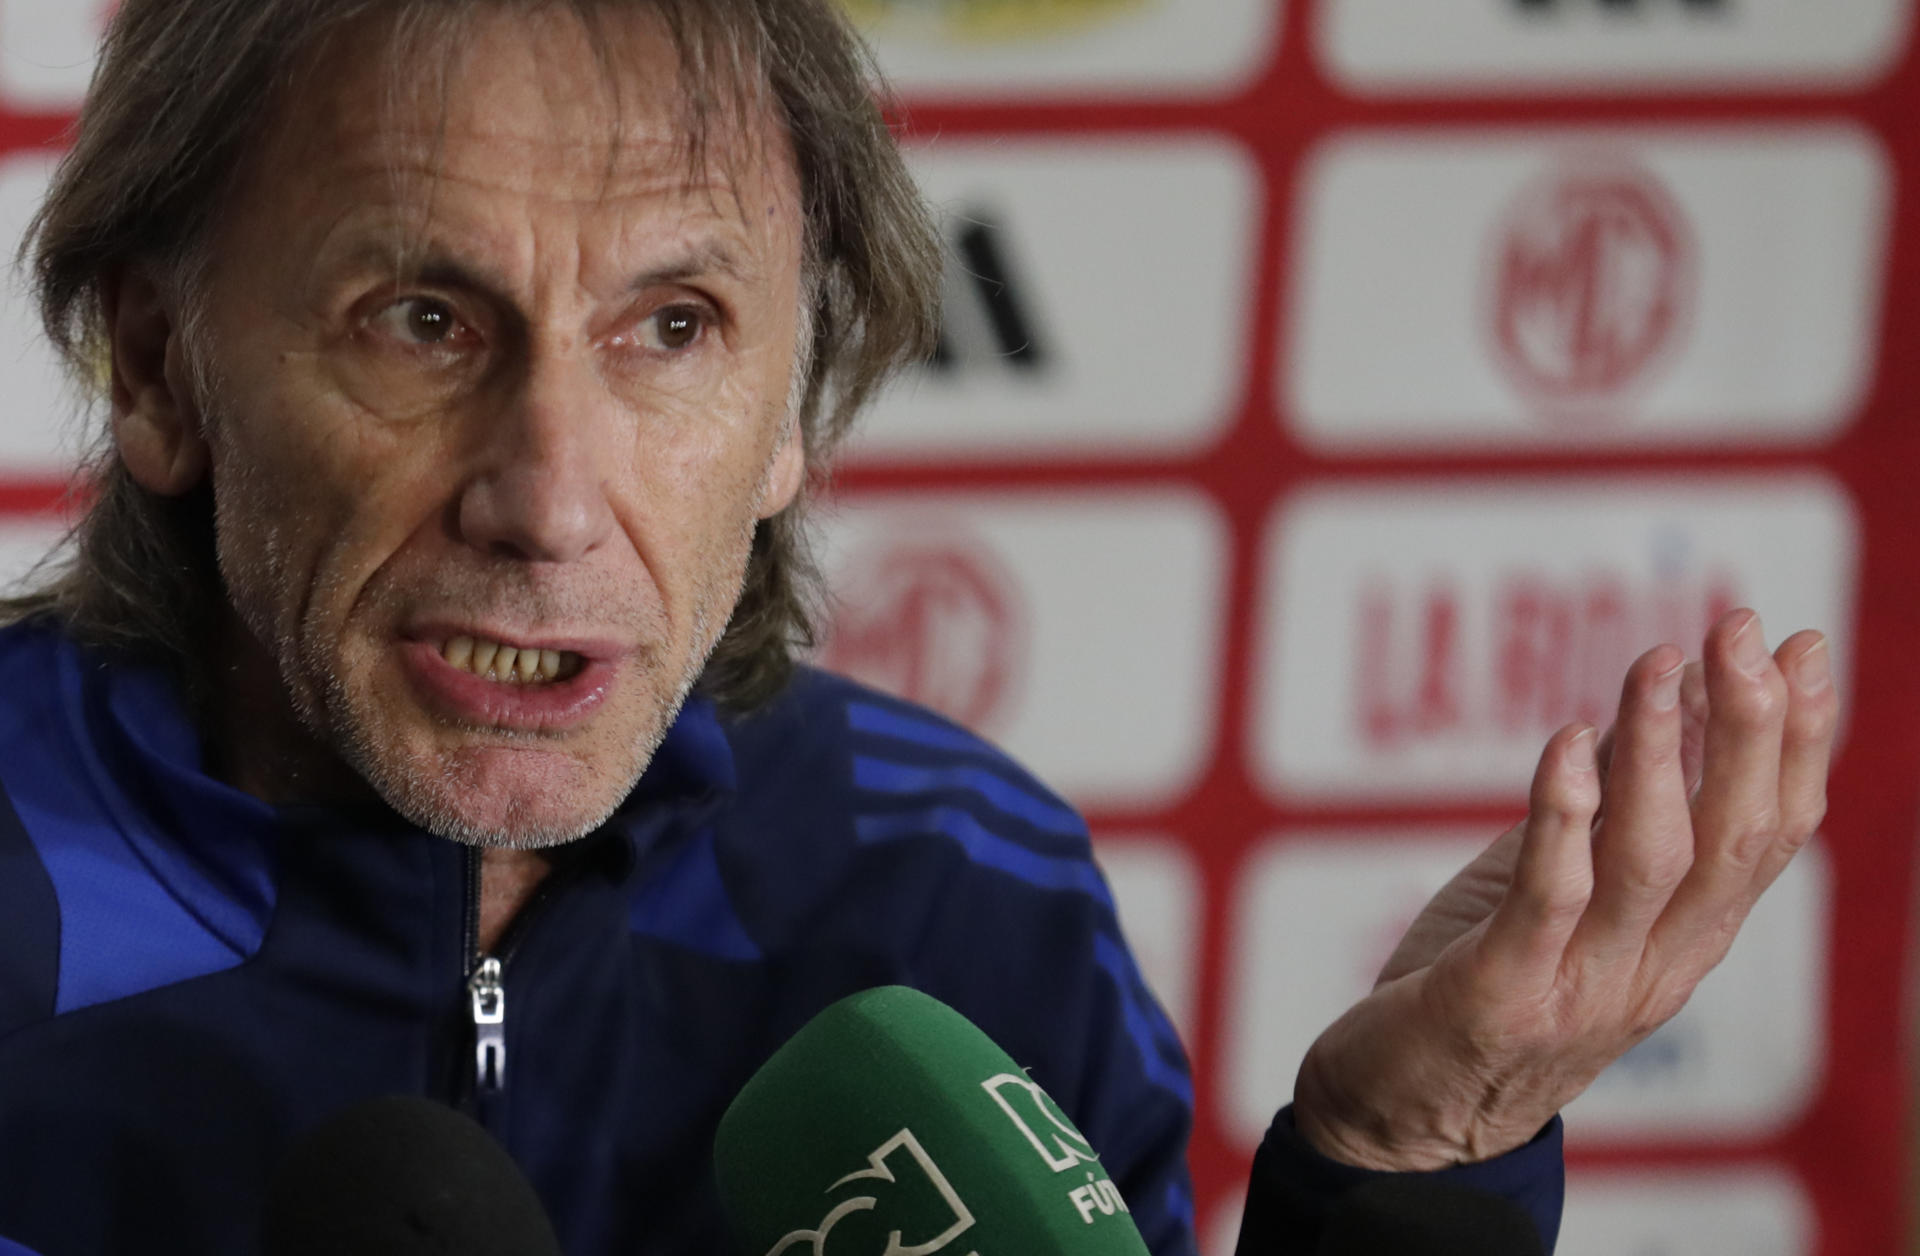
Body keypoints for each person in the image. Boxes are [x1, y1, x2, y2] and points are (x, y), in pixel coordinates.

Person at [0, 1, 1835, 1253]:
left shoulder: (959, 889)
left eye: (676, 329)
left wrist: (1410, 1167)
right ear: (158, 364)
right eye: (422, 320)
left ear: (799, 407)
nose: (550, 500)